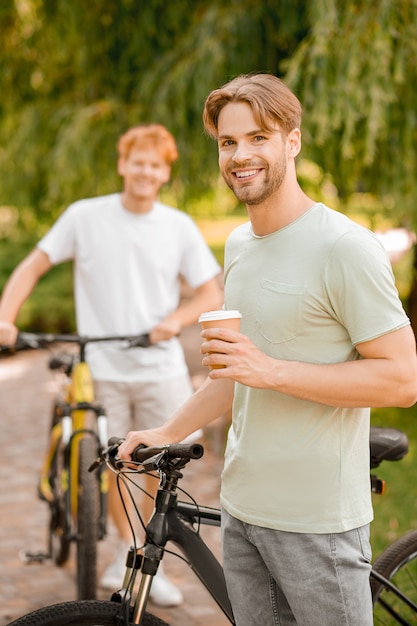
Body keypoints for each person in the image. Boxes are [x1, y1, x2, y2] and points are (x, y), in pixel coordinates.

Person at [118, 74, 417, 625]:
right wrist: (167, 432)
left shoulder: (344, 247)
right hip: (241, 512)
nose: (240, 155)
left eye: (259, 137)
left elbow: (401, 379)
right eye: (228, 142)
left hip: (317, 524)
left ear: (292, 141)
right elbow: (234, 374)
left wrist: (270, 370)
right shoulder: (239, 244)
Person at [0, 123, 222, 606]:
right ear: (123, 165)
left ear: (165, 173)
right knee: (120, 464)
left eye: (155, 165)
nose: (145, 171)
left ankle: (144, 555)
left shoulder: (177, 226)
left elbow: (210, 289)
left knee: (160, 464)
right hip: (102, 367)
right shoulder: (85, 216)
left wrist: (175, 320)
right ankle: (131, 548)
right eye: (137, 161)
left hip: (159, 366)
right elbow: (33, 265)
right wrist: (5, 317)